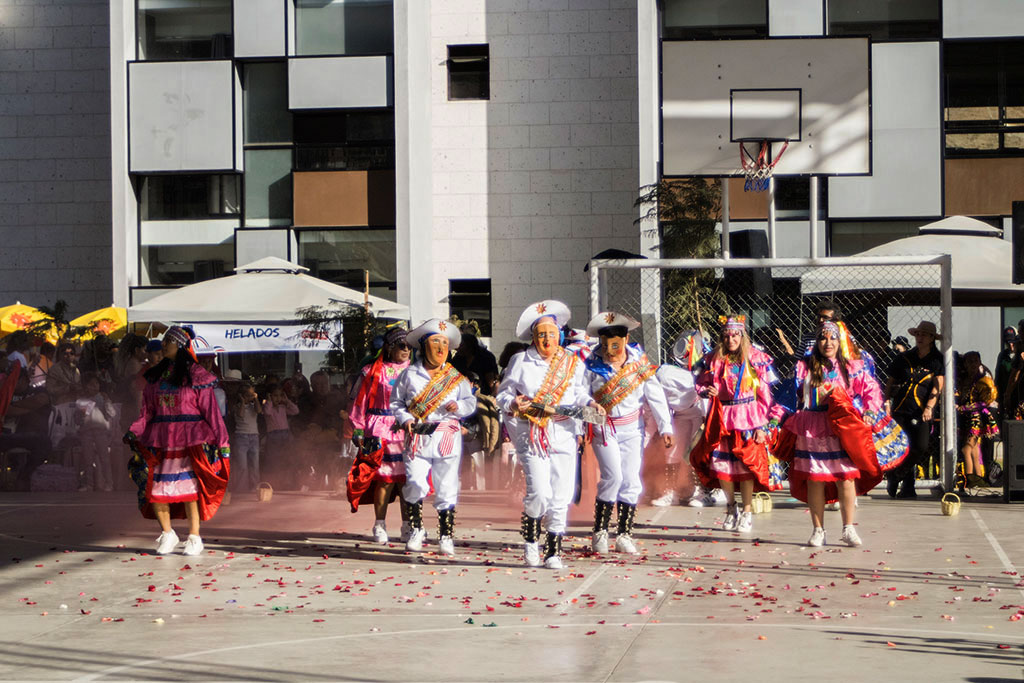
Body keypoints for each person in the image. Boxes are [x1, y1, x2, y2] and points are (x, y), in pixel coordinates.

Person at [497, 301, 603, 568]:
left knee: (561, 495)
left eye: (552, 334)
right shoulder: (521, 361)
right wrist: (512, 403)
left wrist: (590, 404)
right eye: (541, 334)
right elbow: (503, 394)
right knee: (540, 492)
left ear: (560, 335)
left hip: (565, 431)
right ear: (533, 337)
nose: (547, 339)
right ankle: (531, 542)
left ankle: (553, 551)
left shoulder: (572, 362)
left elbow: (578, 393)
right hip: (533, 432)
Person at [771, 321, 884, 547]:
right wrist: (776, 418)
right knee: (815, 479)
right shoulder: (804, 367)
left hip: (841, 429)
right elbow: (788, 395)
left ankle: (848, 528)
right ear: (816, 342)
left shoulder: (850, 367)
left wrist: (870, 411)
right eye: (823, 338)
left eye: (833, 338)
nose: (828, 343)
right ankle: (818, 530)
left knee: (846, 477)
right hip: (811, 429)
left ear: (840, 342)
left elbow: (871, 389)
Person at [124, 326, 230, 556]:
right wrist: (134, 431)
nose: (163, 346)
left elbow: (212, 413)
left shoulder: (196, 376)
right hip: (161, 440)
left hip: (189, 441)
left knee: (189, 489)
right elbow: (147, 412)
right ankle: (168, 533)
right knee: (156, 489)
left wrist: (223, 443)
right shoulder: (155, 377)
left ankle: (194, 537)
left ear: (180, 345)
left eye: (167, 342)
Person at [583, 311, 673, 555]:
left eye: (614, 344)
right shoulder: (591, 364)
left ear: (625, 340)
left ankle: (624, 534)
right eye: (604, 345)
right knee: (613, 476)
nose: (609, 351)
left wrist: (665, 426)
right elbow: (580, 396)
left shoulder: (638, 363)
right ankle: (600, 531)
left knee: (631, 480)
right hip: (604, 429)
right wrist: (589, 414)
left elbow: (655, 395)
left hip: (633, 429)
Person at [390, 319, 476, 556]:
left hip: (446, 435)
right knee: (415, 483)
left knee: (446, 486)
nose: (440, 348)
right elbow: (396, 403)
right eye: (435, 342)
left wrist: (458, 406)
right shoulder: (409, 375)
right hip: (418, 436)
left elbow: (470, 403)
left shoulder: (456, 378)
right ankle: (416, 529)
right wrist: (405, 418)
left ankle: (446, 535)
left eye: (444, 343)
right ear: (423, 346)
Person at [691, 315, 778, 534]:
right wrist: (706, 391)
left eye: (735, 335)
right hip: (722, 417)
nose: (731, 340)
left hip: (748, 417)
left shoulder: (756, 358)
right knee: (722, 467)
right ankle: (731, 508)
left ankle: (747, 512)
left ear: (742, 336)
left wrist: (762, 425)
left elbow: (765, 394)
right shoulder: (713, 359)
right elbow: (698, 383)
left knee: (746, 465)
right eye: (727, 336)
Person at [347, 327, 413, 544]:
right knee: (383, 480)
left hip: (405, 429)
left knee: (406, 481)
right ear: (389, 347)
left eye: (409, 346)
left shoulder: (415, 371)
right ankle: (380, 525)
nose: (406, 350)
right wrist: (358, 428)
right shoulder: (371, 371)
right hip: (376, 429)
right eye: (401, 345)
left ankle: (408, 525)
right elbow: (359, 401)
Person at [645, 331, 708, 507]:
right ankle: (670, 492)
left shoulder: (663, 375)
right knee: (672, 450)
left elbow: (704, 393)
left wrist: (707, 418)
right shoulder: (656, 378)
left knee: (697, 451)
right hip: (680, 414)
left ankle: (702, 493)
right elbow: (657, 411)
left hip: (698, 412)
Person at [884, 320, 944, 499]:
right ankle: (907, 487)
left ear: (932, 338)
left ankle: (896, 475)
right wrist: (886, 402)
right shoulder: (905, 357)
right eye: (917, 334)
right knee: (903, 447)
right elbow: (890, 381)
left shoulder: (937, 359)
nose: (920, 337)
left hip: (921, 410)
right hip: (901, 407)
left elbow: (938, 386)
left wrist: (929, 407)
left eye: (924, 334)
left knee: (920, 446)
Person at [957, 351, 998, 488]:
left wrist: (964, 408)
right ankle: (978, 478)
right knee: (974, 449)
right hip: (966, 418)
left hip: (977, 418)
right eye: (969, 361)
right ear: (965, 364)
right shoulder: (964, 380)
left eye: (975, 361)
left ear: (980, 362)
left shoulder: (984, 380)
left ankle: (970, 479)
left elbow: (985, 402)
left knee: (966, 449)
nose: (973, 364)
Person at [231, 381, 261, 492]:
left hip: (254, 437)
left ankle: (255, 487)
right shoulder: (237, 406)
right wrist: (243, 402)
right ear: (241, 395)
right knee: (242, 466)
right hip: (241, 437)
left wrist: (256, 399)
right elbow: (240, 414)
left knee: (254, 464)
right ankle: (241, 489)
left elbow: (259, 410)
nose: (250, 398)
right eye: (247, 395)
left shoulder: (254, 406)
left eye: (251, 395)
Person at [452, 330, 499, 395]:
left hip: (483, 393)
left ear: (469, 345)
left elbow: (491, 381)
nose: (458, 348)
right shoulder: (458, 358)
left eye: (461, 345)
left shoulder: (485, 357)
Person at [994, 327, 1016, 411]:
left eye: (1012, 342)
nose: (1010, 345)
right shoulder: (1002, 355)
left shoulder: (1021, 355)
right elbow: (998, 376)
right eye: (1007, 342)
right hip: (1004, 394)